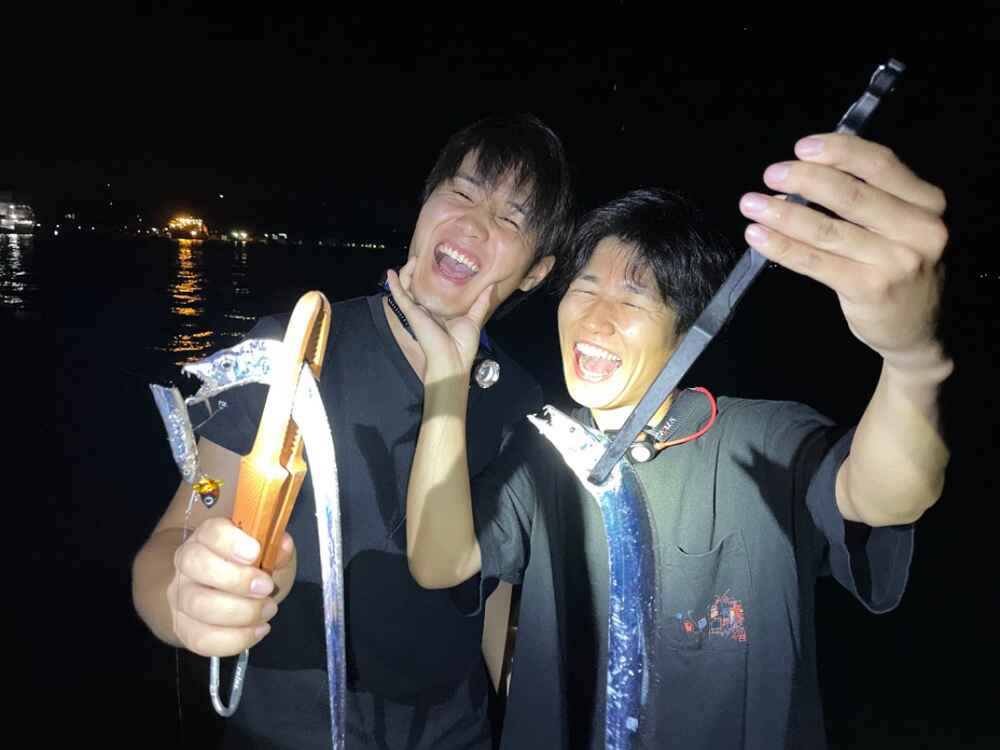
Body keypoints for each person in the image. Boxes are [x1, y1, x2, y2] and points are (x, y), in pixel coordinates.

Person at [396, 133, 951, 748]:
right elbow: (439, 561)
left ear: (687, 332)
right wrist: (447, 381)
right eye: (586, 288)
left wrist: (912, 360)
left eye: (633, 299)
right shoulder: (545, 452)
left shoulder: (762, 440)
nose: (595, 319)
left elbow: (886, 495)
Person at [131, 112, 575, 749]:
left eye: (511, 219)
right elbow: (177, 534)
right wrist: (184, 600)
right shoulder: (292, 351)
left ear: (536, 271)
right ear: (425, 204)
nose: (474, 224)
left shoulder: (518, 399)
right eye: (461, 191)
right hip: (284, 734)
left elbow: (490, 591)